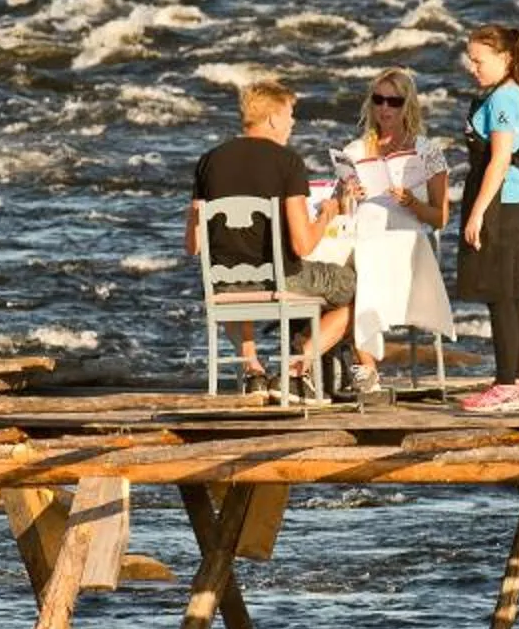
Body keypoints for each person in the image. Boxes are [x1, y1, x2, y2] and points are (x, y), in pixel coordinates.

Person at [187, 80, 357, 400]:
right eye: (290, 115)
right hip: (280, 280)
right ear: (273, 118)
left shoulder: (208, 161)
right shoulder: (287, 162)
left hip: (222, 284)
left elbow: (193, 244)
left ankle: (253, 371)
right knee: (362, 292)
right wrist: (327, 214)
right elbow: (302, 245)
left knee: (234, 281)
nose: (293, 123)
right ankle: (297, 368)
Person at [330, 65, 453, 391]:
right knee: (345, 257)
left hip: (406, 236)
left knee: (364, 258)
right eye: (378, 100)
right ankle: (363, 363)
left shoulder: (427, 151)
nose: (385, 108)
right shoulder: (355, 150)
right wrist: (348, 196)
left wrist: (412, 202)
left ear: (407, 105)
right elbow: (340, 212)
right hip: (363, 231)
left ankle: (356, 361)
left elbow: (441, 218)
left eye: (394, 102)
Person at [453, 24, 519, 411]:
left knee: (499, 293)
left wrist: (477, 213)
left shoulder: (502, 99)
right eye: (470, 60)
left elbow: (500, 159)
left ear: (504, 58)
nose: (473, 68)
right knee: (514, 292)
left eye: (479, 60)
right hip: (516, 201)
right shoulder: (513, 93)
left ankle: (507, 384)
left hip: (503, 203)